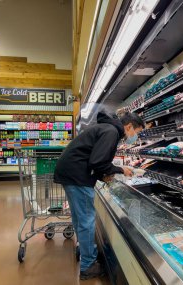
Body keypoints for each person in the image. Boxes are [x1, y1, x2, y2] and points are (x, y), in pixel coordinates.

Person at [54, 111, 144, 280]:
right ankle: (88, 266)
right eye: (136, 133)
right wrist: (119, 169)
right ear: (129, 126)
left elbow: (94, 159)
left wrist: (104, 174)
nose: (135, 137)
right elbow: (98, 161)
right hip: (77, 176)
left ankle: (84, 249)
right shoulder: (111, 132)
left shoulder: (106, 128)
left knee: (80, 218)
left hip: (71, 173)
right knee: (87, 219)